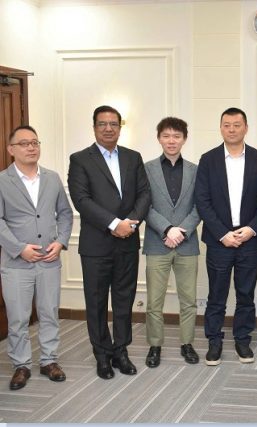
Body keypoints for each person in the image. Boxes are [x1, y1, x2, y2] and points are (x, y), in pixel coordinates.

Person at [68, 105, 151, 380]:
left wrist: (131, 223)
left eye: (113, 124)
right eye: (102, 124)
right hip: (96, 245)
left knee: (124, 299)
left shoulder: (133, 157)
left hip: (127, 242)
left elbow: (144, 194)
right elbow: (81, 200)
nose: (108, 128)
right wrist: (114, 224)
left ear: (120, 127)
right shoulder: (80, 159)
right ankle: (102, 355)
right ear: (94, 127)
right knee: (96, 302)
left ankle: (121, 351)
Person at [0, 125, 73, 390]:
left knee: (49, 312)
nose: (31, 147)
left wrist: (61, 242)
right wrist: (19, 248)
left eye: (35, 142)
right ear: (11, 149)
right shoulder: (2, 180)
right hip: (16, 263)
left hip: (48, 261)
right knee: (18, 317)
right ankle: (21, 365)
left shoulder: (52, 178)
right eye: (24, 143)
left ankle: (49, 360)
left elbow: (65, 213)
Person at [195, 107, 257, 366]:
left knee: (245, 294)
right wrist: (222, 233)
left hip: (249, 239)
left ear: (246, 128)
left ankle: (242, 340)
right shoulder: (208, 159)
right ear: (221, 128)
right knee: (217, 295)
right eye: (227, 125)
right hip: (219, 241)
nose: (232, 129)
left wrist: (252, 228)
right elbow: (202, 201)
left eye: (237, 125)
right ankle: (214, 341)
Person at [143, 117, 201, 368]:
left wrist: (182, 231)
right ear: (159, 138)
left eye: (176, 136)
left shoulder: (195, 170)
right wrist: (167, 229)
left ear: (184, 139)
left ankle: (187, 343)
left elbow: (200, 206)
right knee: (154, 301)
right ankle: (155, 345)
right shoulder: (146, 169)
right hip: (157, 243)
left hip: (187, 244)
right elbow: (143, 205)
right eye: (166, 136)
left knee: (188, 300)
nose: (171, 141)